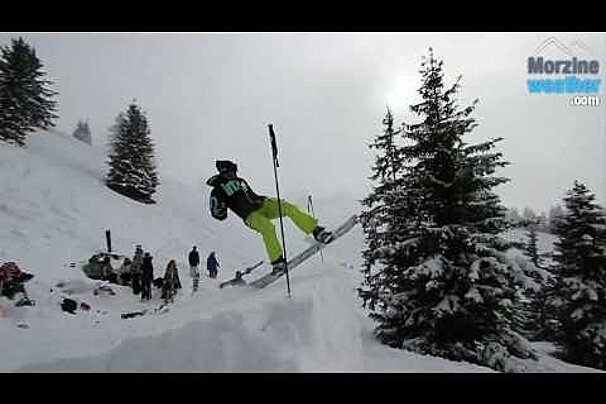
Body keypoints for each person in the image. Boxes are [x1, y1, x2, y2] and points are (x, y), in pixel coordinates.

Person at [207, 160, 333, 275]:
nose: (234, 173)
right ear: (225, 172)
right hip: (250, 215)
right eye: (232, 171)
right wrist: (219, 209)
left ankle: (316, 231)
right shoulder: (218, 190)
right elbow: (219, 213)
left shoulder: (240, 181)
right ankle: (277, 262)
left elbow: (250, 196)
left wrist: (262, 200)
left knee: (287, 207)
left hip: (262, 204)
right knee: (268, 228)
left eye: (235, 171)